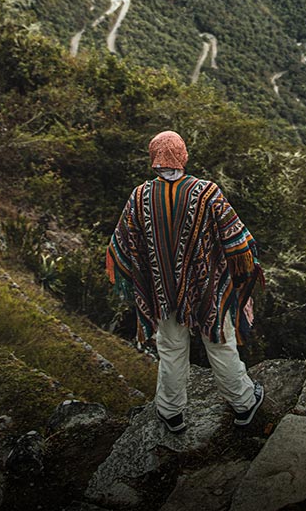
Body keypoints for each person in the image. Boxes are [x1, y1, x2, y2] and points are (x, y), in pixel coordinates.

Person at [107, 130, 265, 432]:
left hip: (162, 292)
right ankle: (244, 403)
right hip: (207, 288)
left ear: (154, 159)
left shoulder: (139, 196)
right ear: (183, 156)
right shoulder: (207, 192)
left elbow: (122, 245)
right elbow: (239, 242)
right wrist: (241, 274)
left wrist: (151, 275)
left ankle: (171, 412)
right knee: (219, 342)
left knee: (170, 348)